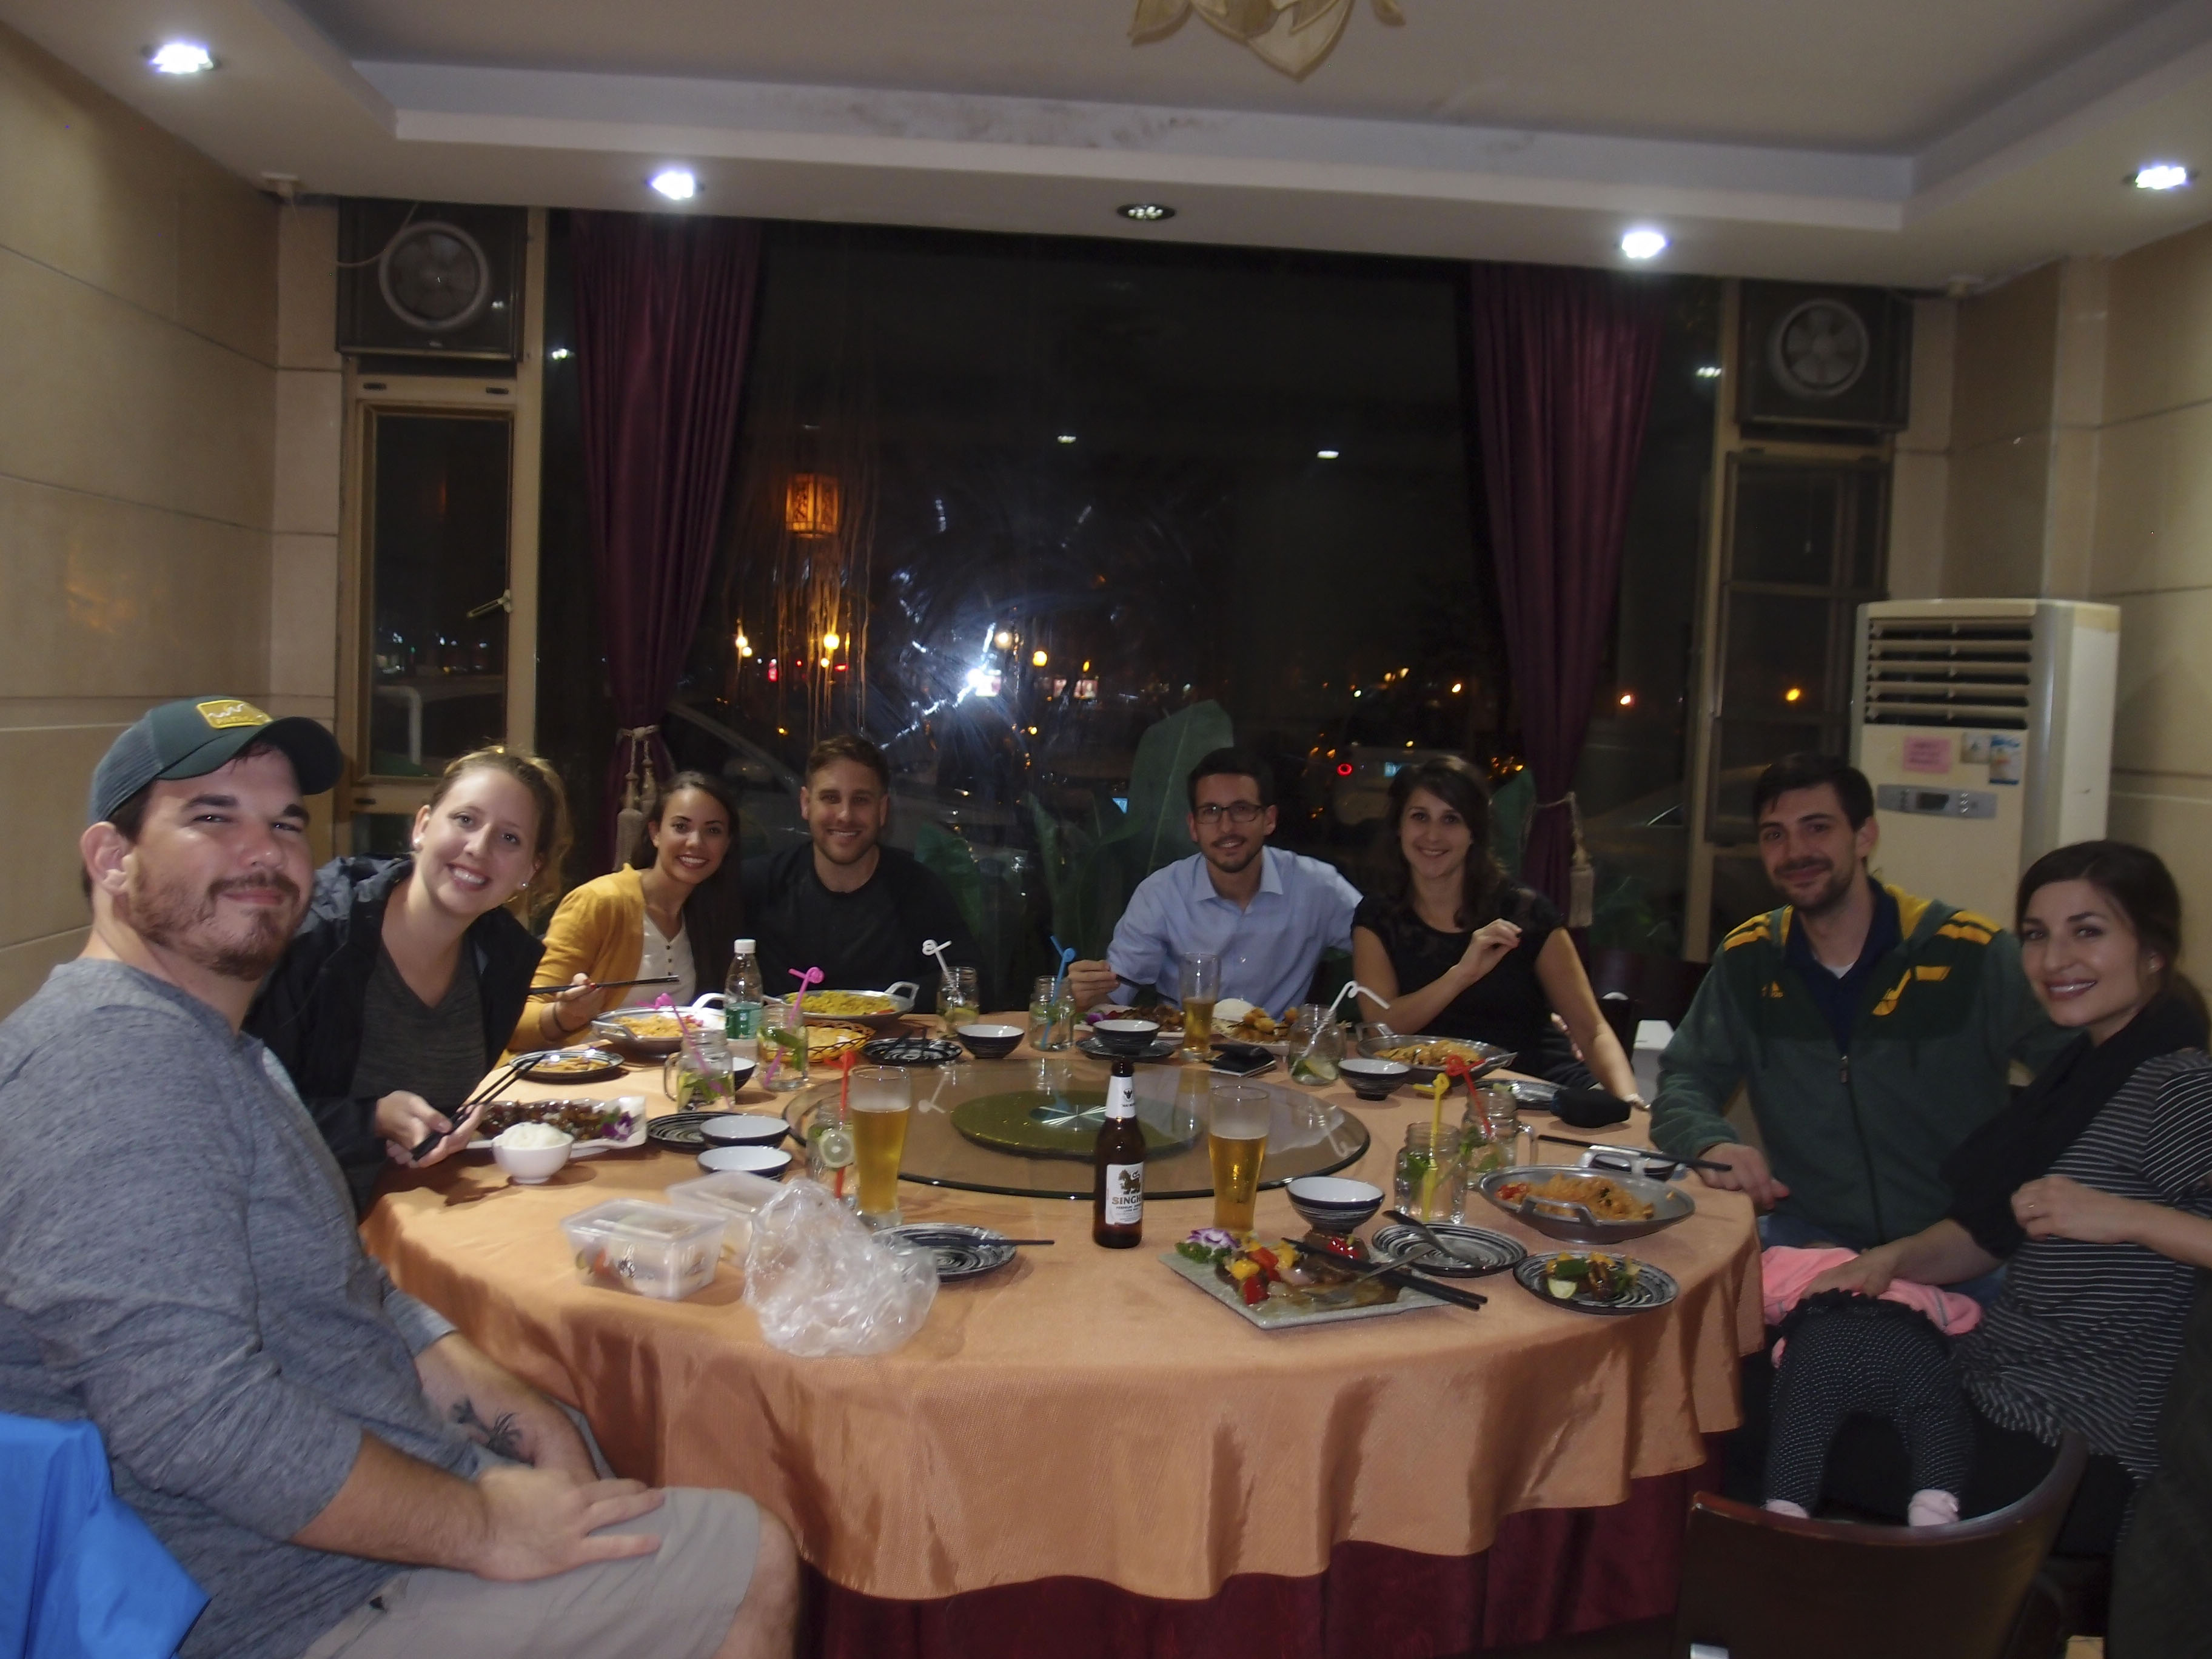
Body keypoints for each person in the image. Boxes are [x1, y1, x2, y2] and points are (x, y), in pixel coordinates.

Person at [0, 696, 796, 1659]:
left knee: (580, 1431)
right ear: (110, 859)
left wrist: (522, 1414)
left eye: (284, 823)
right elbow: (197, 1422)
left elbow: (354, 1290)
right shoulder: (108, 1067)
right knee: (751, 1554)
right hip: (285, 1599)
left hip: (367, 1501)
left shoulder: (221, 1053)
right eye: (212, 816)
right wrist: (483, 1522)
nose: (263, 851)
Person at [1757, 840, 2212, 1555]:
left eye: (2087, 932)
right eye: (2036, 935)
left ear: (2154, 950)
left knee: (1736, 1410)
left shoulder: (2178, 1085)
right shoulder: (2088, 1074)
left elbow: (2110, 1219)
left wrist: (2125, 1218)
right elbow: (1984, 1233)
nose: (2055, 959)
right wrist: (1886, 1261)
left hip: (2070, 1446)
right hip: (1989, 1389)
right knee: (1754, 1366)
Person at [1651, 753, 2066, 1248]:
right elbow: (1685, 1077)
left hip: (1963, 1246)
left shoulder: (1970, 953)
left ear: (1864, 835)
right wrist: (1710, 1142)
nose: (1795, 852)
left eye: (1817, 828)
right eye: (1775, 835)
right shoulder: (1749, 958)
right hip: (1811, 1240)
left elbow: (2087, 1072)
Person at [248, 748, 577, 1215]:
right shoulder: (313, 936)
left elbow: (443, 1106)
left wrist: (440, 1127)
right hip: (289, 1226)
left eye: (509, 838)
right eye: (465, 820)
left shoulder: (503, 959)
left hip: (416, 1211)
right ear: (422, 826)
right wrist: (370, 1120)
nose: (479, 847)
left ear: (530, 870)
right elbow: (240, 1115)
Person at [1350, 757, 1640, 1099]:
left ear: (1474, 832)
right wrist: (1462, 974)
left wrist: (1630, 1101)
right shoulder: (1378, 916)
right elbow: (1381, 1032)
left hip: (1541, 1089)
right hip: (1429, 1095)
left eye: (1451, 819)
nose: (1433, 835)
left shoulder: (1526, 912)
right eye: (1419, 817)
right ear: (1399, 826)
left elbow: (1592, 1032)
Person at [1067, 746, 1362, 1014]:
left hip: (1278, 1052)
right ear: (1194, 827)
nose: (1226, 827)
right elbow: (1111, 1001)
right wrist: (1086, 993)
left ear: (1269, 819)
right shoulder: (1161, 893)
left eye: (1242, 809)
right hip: (1188, 1048)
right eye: (1210, 812)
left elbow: (1379, 940)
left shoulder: (1317, 887)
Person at [521, 770, 744, 1049]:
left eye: (713, 831)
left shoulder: (708, 913)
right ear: (655, 833)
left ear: (727, 844)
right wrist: (563, 1016)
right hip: (586, 1068)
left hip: (671, 1070)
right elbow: (519, 1018)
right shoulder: (600, 901)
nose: (695, 842)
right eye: (681, 827)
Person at [741, 734, 978, 995]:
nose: (845, 816)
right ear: (806, 804)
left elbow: (970, 985)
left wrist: (875, 1004)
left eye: (861, 800)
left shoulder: (920, 891)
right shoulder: (759, 885)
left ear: (882, 810)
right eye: (831, 798)